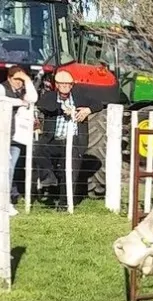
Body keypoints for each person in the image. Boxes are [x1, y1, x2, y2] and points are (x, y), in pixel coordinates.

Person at [32, 70, 103, 210]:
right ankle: (50, 178)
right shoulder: (50, 97)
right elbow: (43, 106)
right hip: (54, 140)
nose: (64, 87)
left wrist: (87, 110)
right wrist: (64, 109)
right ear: (56, 85)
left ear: (72, 85)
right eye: (61, 84)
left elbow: (98, 104)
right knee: (38, 149)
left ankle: (64, 204)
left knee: (70, 170)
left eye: (67, 84)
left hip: (74, 141)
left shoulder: (79, 97)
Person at [0, 66, 38, 214]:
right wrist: (20, 102)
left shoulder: (24, 90)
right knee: (3, 167)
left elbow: (33, 98)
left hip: (17, 136)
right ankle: (0, 200)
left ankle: (7, 200)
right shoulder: (0, 88)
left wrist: (27, 80)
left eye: (21, 80)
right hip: (2, 133)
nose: (19, 83)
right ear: (9, 78)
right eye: (17, 79)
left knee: (11, 168)